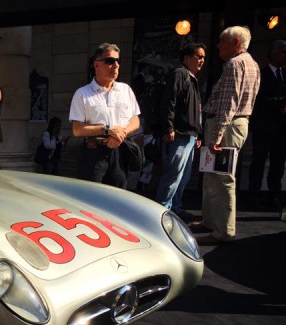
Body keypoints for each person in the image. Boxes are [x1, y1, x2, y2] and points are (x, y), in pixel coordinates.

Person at [190, 26, 260, 246]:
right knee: (212, 176)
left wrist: (216, 137)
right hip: (234, 124)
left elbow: (228, 104)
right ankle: (211, 222)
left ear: (236, 42)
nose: (218, 45)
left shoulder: (234, 64)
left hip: (226, 127)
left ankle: (223, 232)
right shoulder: (252, 64)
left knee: (222, 179)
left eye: (222, 41)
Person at [69, 43, 141, 188]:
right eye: (109, 61)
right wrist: (107, 130)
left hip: (120, 150)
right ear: (96, 65)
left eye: (117, 61)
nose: (115, 65)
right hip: (93, 151)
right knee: (90, 197)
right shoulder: (82, 93)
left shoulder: (125, 90)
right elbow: (77, 129)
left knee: (119, 197)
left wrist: (121, 134)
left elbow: (135, 120)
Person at [155, 42, 207, 221]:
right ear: (186, 58)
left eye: (203, 57)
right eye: (198, 56)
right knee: (173, 174)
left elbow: (196, 111)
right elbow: (168, 101)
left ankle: (175, 208)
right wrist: (168, 127)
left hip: (190, 136)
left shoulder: (192, 78)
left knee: (183, 177)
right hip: (179, 134)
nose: (202, 60)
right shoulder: (180, 73)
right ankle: (162, 211)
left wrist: (198, 133)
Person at [248, 39, 286, 210]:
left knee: (278, 163)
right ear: (272, 53)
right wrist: (277, 105)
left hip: (281, 128)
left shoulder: (285, 74)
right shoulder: (261, 74)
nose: (284, 56)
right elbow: (258, 99)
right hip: (264, 126)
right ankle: (253, 195)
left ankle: (274, 194)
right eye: (282, 52)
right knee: (258, 161)